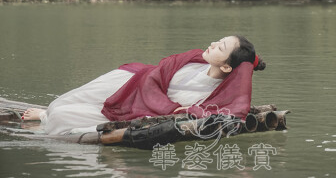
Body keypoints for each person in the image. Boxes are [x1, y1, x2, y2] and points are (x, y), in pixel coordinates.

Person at [22, 35, 266, 135]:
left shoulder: (212, 94)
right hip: (133, 83)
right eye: (218, 40)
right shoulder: (194, 58)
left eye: (220, 48)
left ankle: (45, 118)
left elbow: (210, 112)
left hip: (142, 104)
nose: (213, 44)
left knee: (62, 115)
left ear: (226, 67)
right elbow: (161, 71)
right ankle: (45, 113)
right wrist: (153, 88)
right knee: (62, 103)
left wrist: (172, 110)